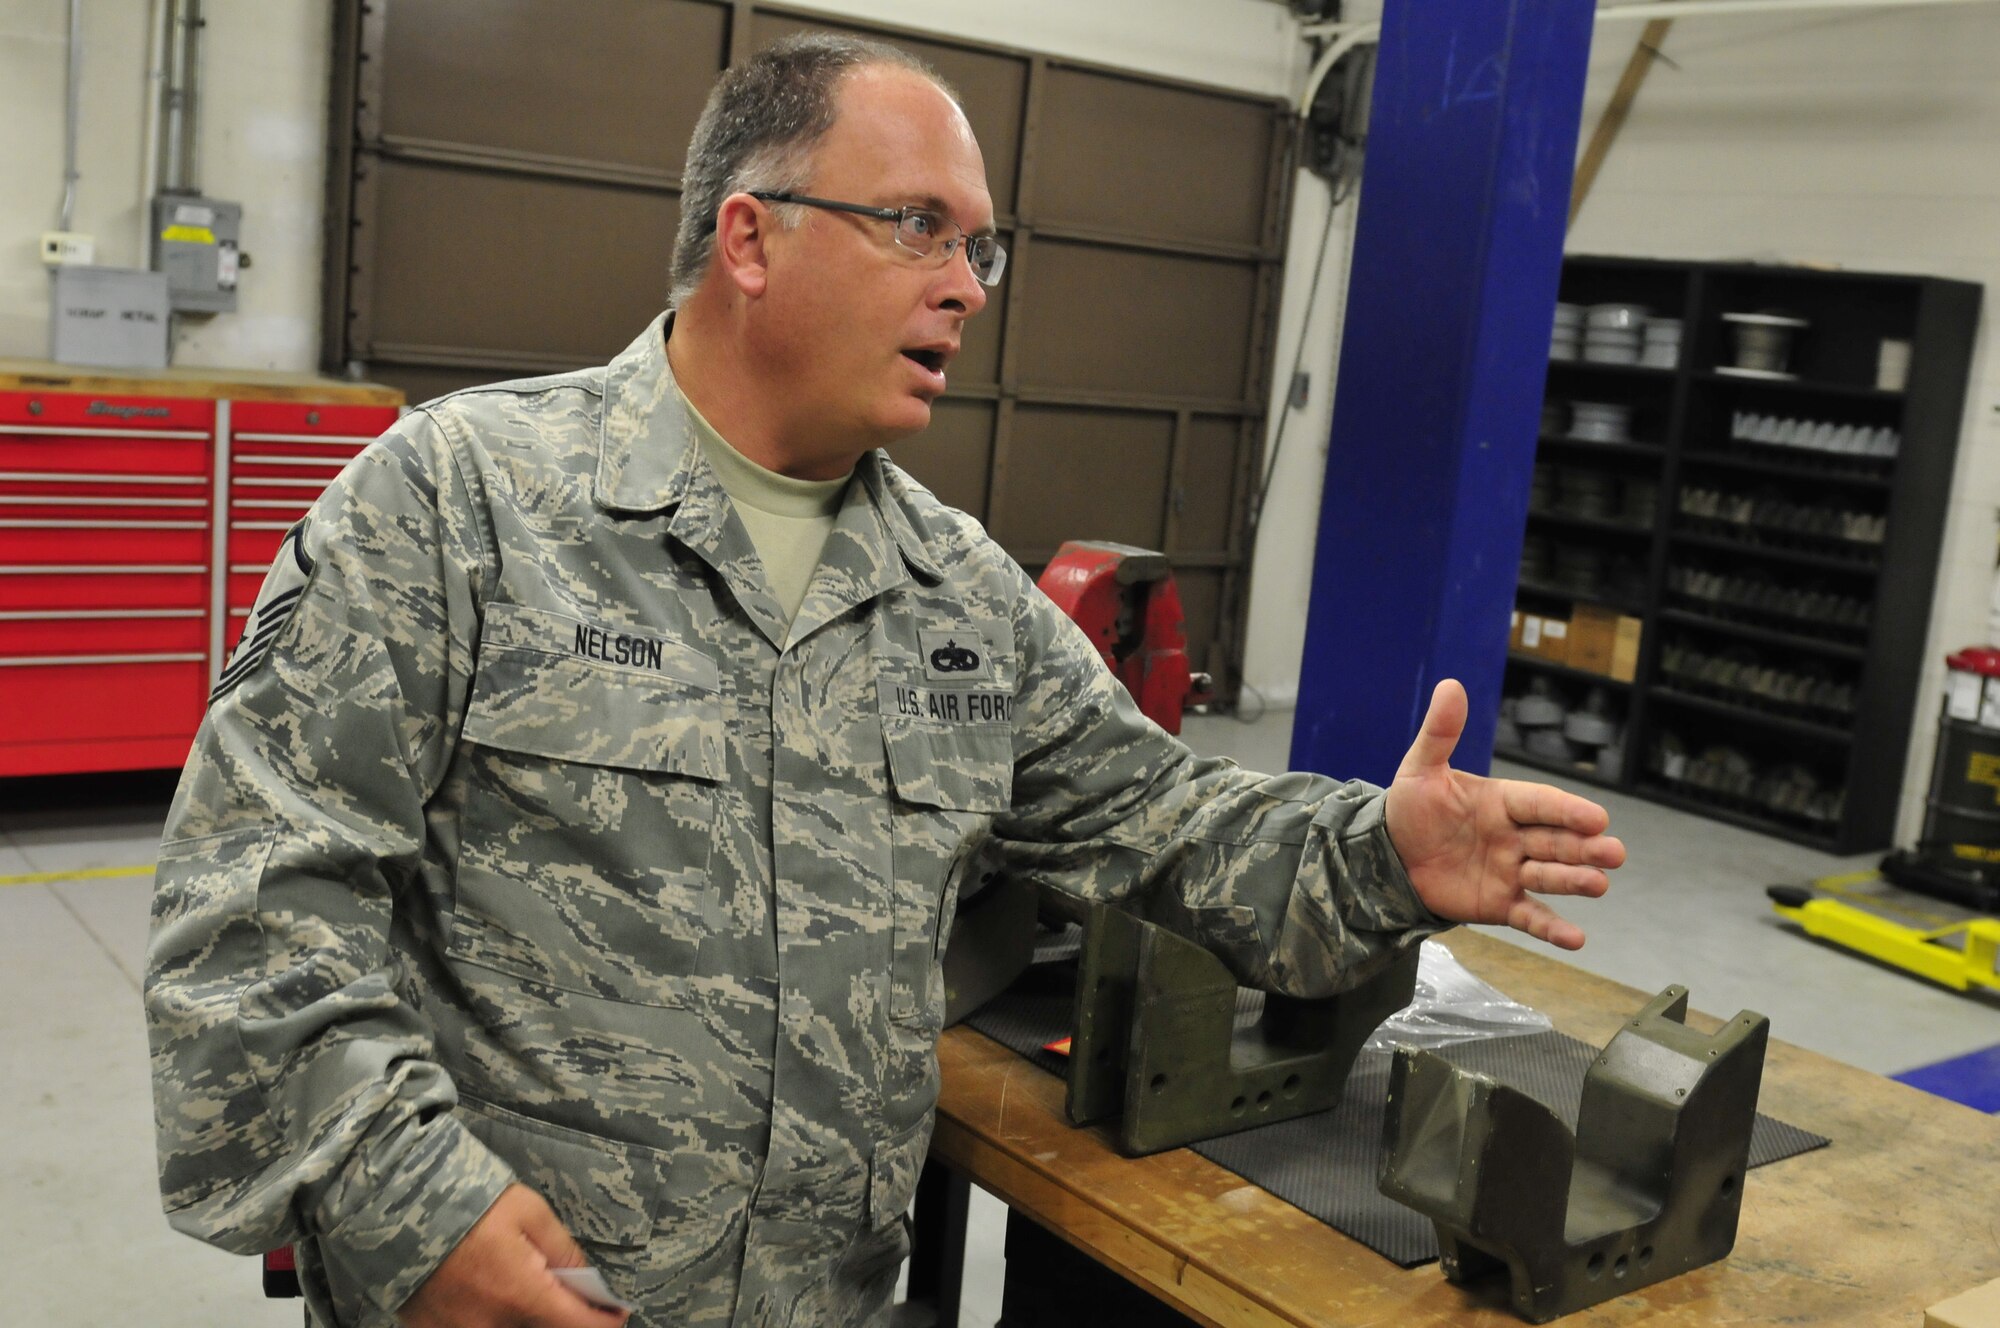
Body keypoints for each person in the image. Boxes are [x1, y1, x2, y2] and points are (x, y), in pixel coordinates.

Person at [145, 33, 1623, 1328]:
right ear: (750, 238)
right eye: (920, 228)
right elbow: (253, 898)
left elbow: (1171, 827)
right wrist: (407, 1208)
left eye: (982, 247)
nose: (967, 289)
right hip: (521, 1301)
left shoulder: (958, 596)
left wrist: (1381, 850)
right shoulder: (461, 504)